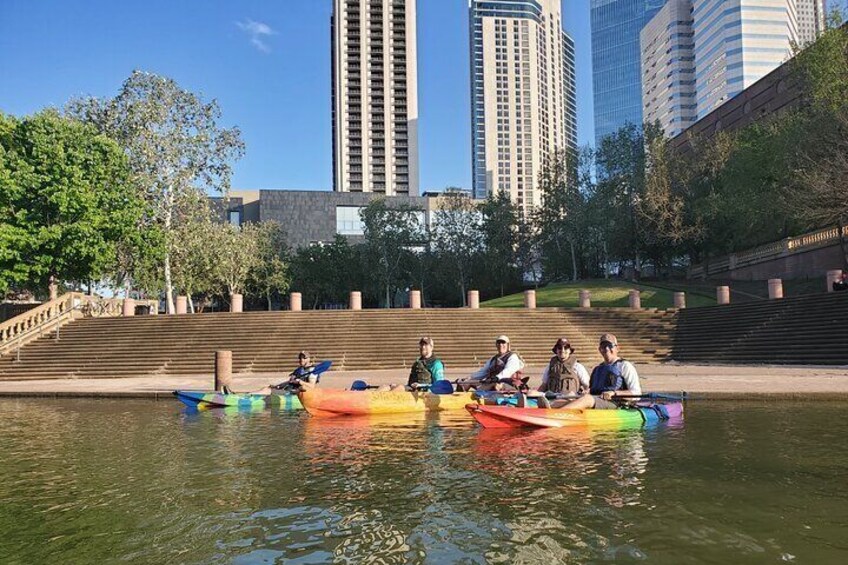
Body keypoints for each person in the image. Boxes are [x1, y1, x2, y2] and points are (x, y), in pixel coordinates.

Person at [552, 333, 641, 410]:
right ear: (599, 349)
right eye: (603, 346)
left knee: (587, 399)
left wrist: (614, 393)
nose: (606, 348)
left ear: (617, 348)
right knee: (568, 398)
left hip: (615, 403)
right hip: (596, 399)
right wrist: (586, 391)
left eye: (610, 345)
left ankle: (558, 415)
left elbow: (636, 393)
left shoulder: (625, 366)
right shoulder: (598, 368)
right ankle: (547, 410)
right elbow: (591, 389)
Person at [460, 335, 525, 391]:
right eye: (498, 343)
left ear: (508, 345)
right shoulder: (493, 359)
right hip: (492, 382)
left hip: (509, 383)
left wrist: (497, 377)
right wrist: (470, 378)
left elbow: (508, 371)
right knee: (466, 382)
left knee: (496, 385)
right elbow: (483, 372)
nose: (501, 345)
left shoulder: (512, 357)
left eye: (503, 343)